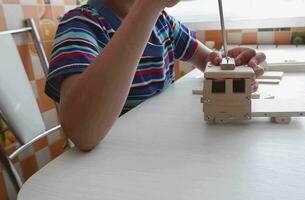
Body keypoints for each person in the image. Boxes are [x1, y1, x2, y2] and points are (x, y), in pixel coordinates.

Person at [45, 0, 266, 151]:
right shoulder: (80, 25)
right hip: (112, 168)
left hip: (161, 150)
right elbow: (83, 132)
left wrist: (233, 66)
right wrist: (149, 4)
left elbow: (209, 62)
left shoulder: (163, 23)